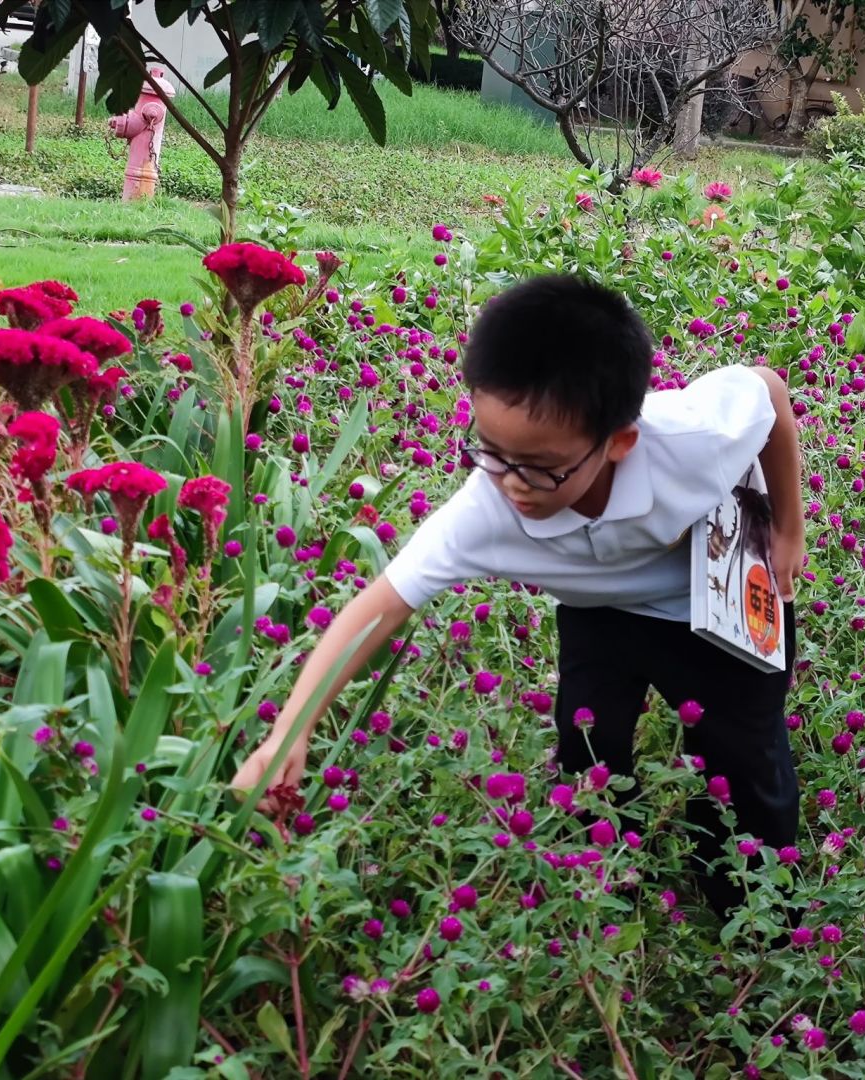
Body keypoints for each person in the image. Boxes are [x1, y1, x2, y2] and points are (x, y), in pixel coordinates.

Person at [231, 275, 808, 919]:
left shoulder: (694, 441)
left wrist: (789, 528)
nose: (512, 484)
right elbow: (379, 606)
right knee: (588, 753)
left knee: (744, 768)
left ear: (619, 439)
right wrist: (290, 735)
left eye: (540, 467)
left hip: (716, 601)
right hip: (601, 613)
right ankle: (606, 896)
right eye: (492, 453)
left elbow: (771, 393)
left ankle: (758, 923)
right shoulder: (489, 506)